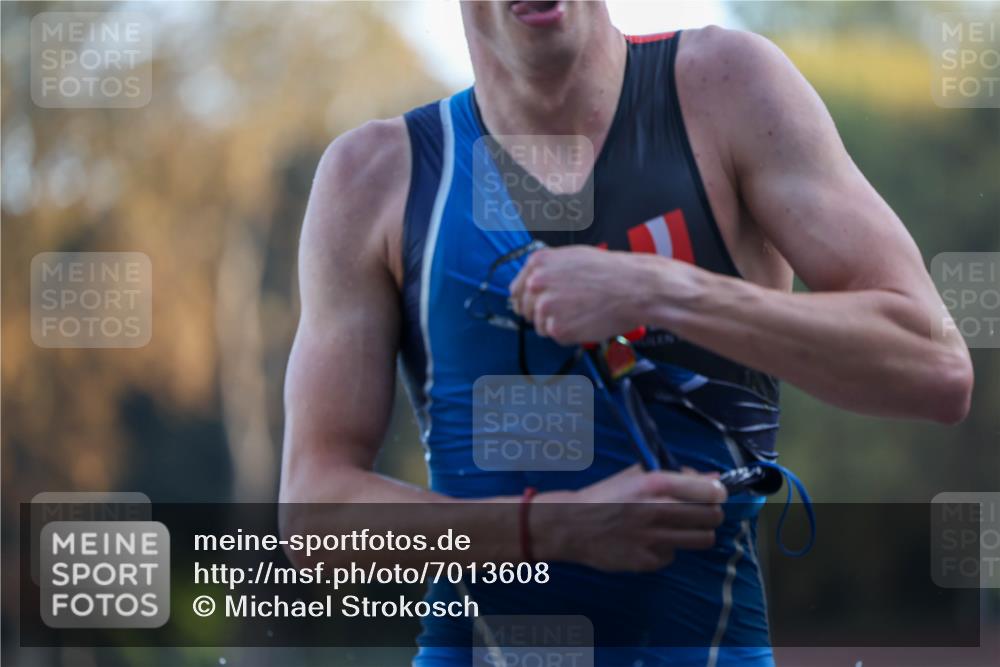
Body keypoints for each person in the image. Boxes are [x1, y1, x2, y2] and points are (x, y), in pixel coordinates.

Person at [280, 2, 973, 665]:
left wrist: (663, 289)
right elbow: (312, 519)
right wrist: (555, 528)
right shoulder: (374, 176)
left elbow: (935, 366)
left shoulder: (726, 90)